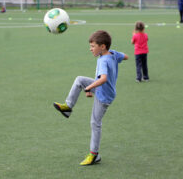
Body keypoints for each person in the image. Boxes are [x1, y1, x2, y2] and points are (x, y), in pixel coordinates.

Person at [53, 30, 128, 166]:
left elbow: (103, 79)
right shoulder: (113, 54)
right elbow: (126, 57)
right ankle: (68, 107)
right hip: (104, 89)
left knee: (95, 123)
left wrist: (89, 88)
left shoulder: (103, 61)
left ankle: (94, 155)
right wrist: (118, 56)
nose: (90, 49)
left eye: (93, 46)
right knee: (79, 80)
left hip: (104, 95)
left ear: (103, 46)